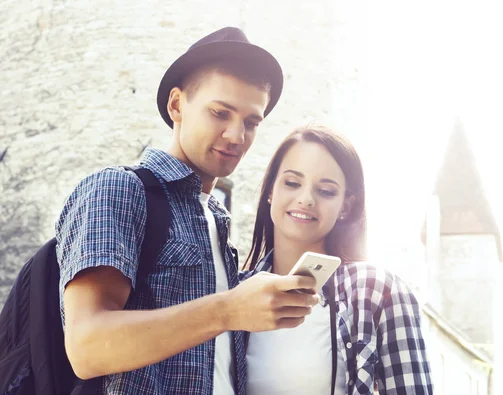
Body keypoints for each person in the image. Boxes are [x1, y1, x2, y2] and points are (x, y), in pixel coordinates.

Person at [55, 27, 319, 394]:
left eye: (250, 122)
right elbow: (86, 348)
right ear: (177, 105)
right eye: (220, 113)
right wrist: (228, 310)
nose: (236, 136)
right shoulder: (119, 188)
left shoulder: (215, 220)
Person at [242, 126, 434, 394]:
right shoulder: (235, 294)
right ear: (271, 190)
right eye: (292, 183)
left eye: (326, 191)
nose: (306, 199)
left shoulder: (377, 290)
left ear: (345, 206)